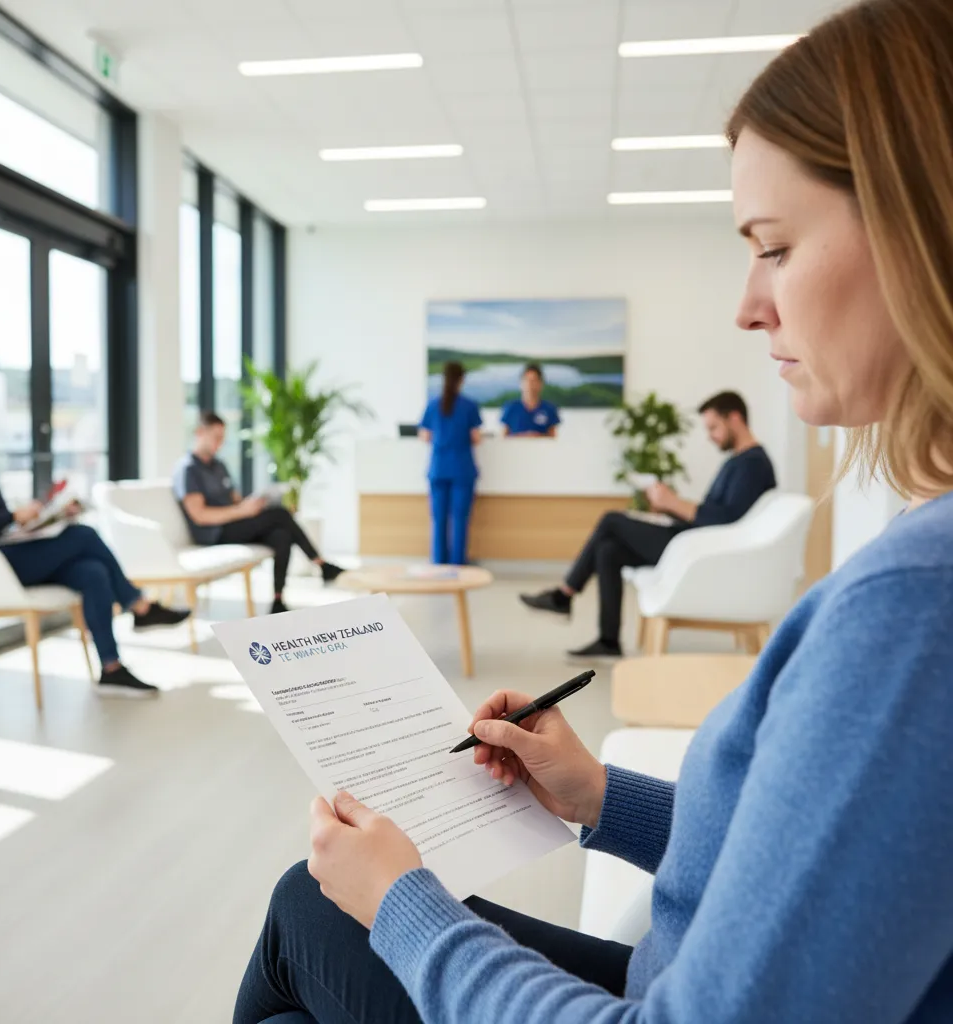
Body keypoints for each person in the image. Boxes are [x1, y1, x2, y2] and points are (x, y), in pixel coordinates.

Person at [233, 1, 953, 1020]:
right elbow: (812, 862)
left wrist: (404, 901)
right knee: (305, 907)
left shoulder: (915, 606)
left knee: (315, 912)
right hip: (672, 966)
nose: (747, 304)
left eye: (774, 245)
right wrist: (597, 796)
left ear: (922, 226)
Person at [0, 387, 189, 698]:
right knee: (83, 535)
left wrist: (41, 517)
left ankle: (112, 669)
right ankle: (140, 605)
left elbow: (0, 516)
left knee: (92, 571)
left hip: (13, 549)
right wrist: (14, 514)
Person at [521, 390, 776, 659]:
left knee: (611, 520)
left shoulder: (752, 464)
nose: (710, 435)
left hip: (695, 550)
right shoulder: (739, 462)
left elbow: (725, 522)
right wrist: (668, 507)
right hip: (693, 541)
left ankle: (564, 595)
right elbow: (715, 513)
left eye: (713, 427)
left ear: (734, 418)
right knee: (608, 550)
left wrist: (674, 503)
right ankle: (609, 641)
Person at [172, 411, 342, 614]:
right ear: (200, 432)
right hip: (214, 533)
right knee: (280, 514)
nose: (220, 443)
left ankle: (277, 600)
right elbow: (200, 515)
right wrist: (241, 511)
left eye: (223, 438)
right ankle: (320, 564)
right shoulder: (188, 469)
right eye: (216, 437)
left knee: (282, 534)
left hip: (235, 524)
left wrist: (253, 504)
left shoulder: (219, 466)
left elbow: (235, 500)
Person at [418, 362, 483, 566]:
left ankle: (439, 562)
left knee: (439, 520)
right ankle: (458, 563)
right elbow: (476, 437)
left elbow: (425, 435)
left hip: (439, 468)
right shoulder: (469, 406)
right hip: (462, 469)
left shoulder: (433, 404)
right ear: (462, 379)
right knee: (460, 519)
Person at [501, 363, 561, 437]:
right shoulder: (511, 407)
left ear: (540, 383)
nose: (530, 384)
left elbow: (553, 438)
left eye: (534, 380)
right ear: (521, 383)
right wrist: (523, 437)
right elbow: (503, 437)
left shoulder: (549, 408)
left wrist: (537, 437)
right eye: (527, 380)